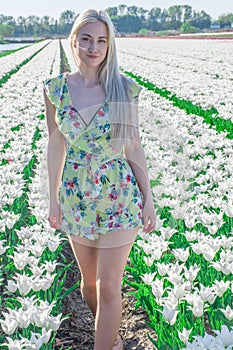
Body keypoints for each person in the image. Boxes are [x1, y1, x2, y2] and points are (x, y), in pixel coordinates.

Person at [43, 8, 156, 350]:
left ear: (109, 46)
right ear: (73, 41)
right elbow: (55, 143)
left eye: (102, 41)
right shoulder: (56, 90)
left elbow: (132, 146)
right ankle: (114, 339)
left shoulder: (122, 88)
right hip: (76, 195)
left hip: (118, 194)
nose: (94, 47)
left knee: (109, 285)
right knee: (89, 286)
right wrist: (53, 198)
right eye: (87, 39)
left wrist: (148, 197)